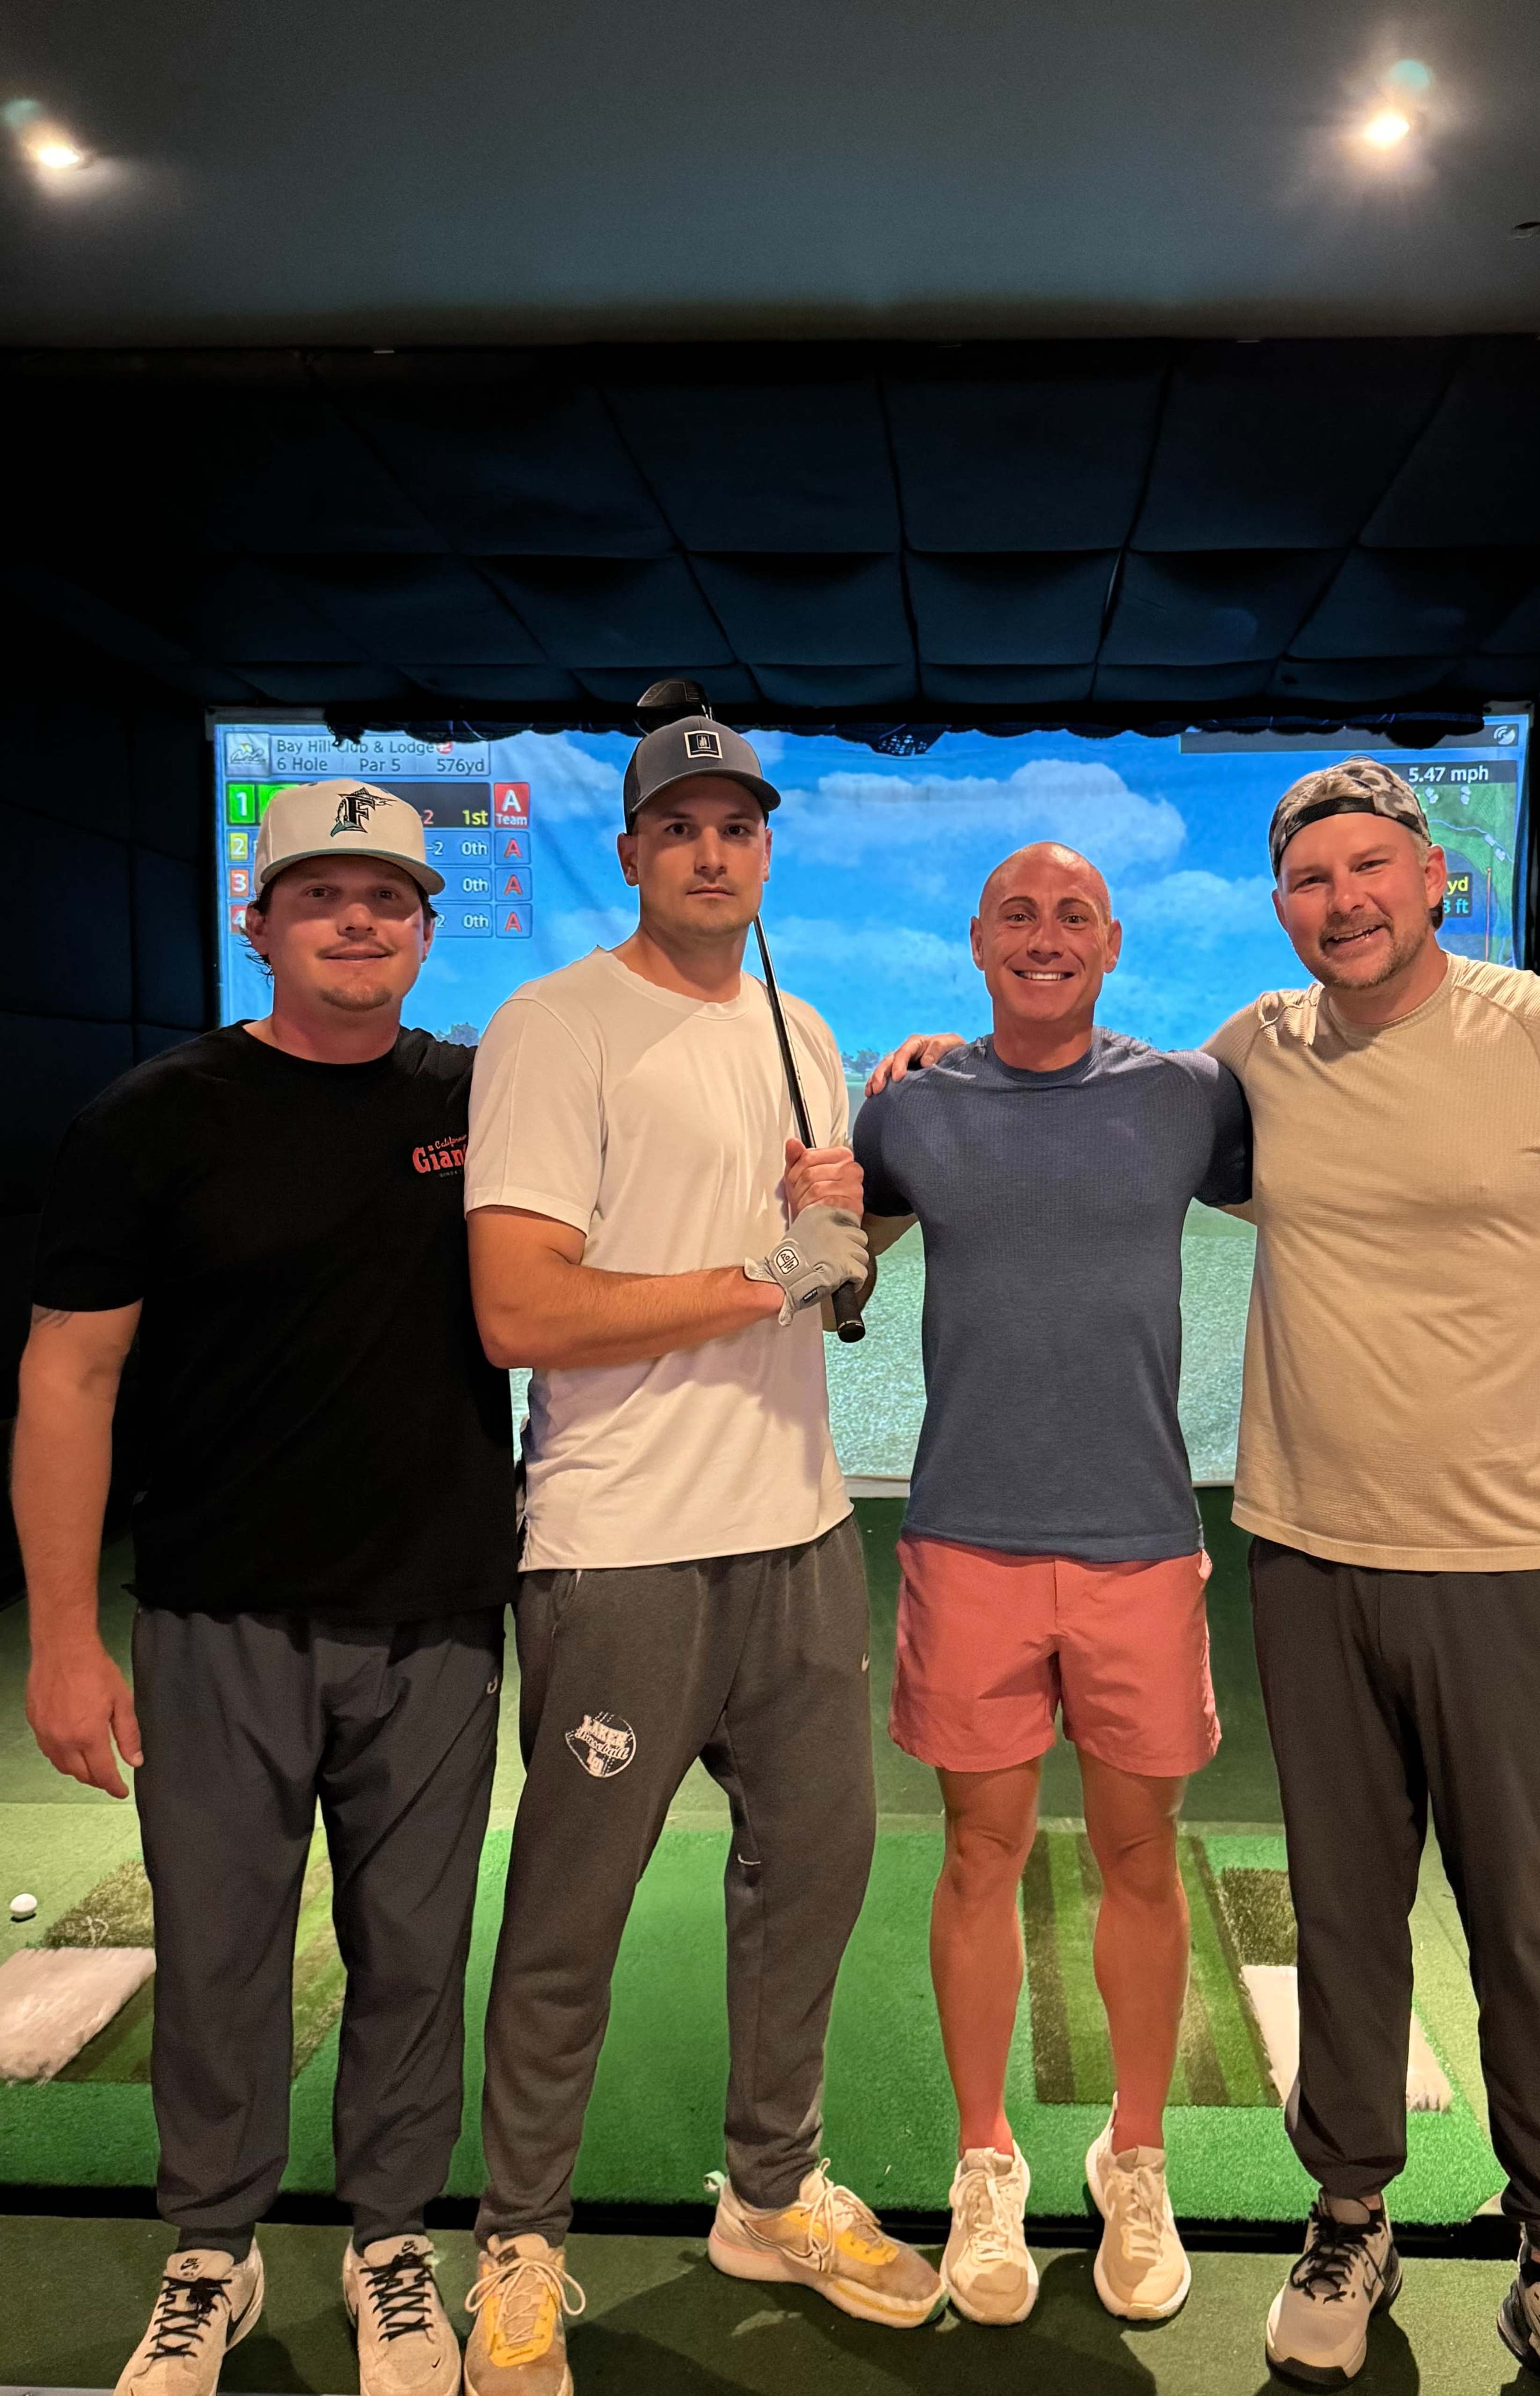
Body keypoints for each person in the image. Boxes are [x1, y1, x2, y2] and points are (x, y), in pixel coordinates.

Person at [869, 756, 1540, 2394]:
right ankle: (1348, 2217)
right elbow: (1029, 1144)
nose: (1343, 901)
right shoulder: (1247, 1063)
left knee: (1527, 1928)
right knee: (1344, 1921)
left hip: (1508, 1564)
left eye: (1372, 867)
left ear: (1435, 875)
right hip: (1303, 1552)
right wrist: (917, 1073)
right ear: (1277, 906)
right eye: (1310, 880)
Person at [458, 710, 941, 2396]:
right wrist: (770, 1271)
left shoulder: (800, 1027)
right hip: (619, 1551)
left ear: (762, 847)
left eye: (739, 825)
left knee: (814, 1874)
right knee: (572, 1913)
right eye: (682, 827)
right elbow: (521, 1307)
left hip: (799, 1536)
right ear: (636, 851)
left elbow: (838, 1296)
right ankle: (519, 2240)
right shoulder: (553, 1025)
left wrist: (850, 1228)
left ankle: (772, 2189)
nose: (713, 852)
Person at [14, 782, 517, 2396]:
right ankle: (212, 2256)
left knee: (416, 1954)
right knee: (222, 1951)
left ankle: (390, 2248)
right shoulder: (152, 1118)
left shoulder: (485, 1100)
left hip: (434, 1611)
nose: (358, 921)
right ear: (262, 922)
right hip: (215, 1613)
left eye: (389, 896)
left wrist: (899, 1083)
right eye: (323, 895)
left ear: (430, 928)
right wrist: (69, 1640)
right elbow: (69, 1379)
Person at [853, 842, 1249, 2327]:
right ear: (974, 940)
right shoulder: (911, 1101)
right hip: (967, 1539)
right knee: (980, 1859)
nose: (1044, 936)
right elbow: (831, 1264)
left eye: (1072, 915)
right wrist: (811, 1217)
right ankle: (984, 2159)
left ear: (1114, 941)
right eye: (1017, 914)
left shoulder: (1188, 1099)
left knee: (1144, 1862)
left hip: (1143, 1539)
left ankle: (1132, 2157)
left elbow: (1332, 1190)